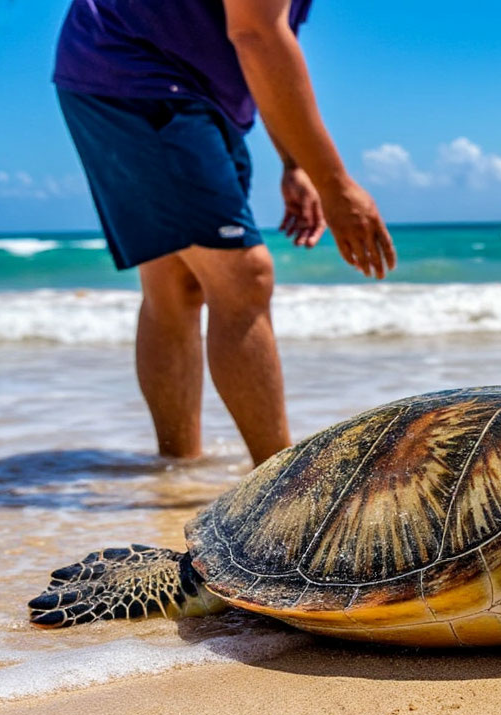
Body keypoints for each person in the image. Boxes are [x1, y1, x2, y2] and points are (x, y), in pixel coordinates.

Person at [53, 0, 395, 465]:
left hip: (190, 89)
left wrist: (296, 164)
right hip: (134, 71)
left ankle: (177, 466)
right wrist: (335, 184)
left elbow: (272, 38)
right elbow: (256, 34)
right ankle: (279, 487)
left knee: (177, 282)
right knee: (243, 274)